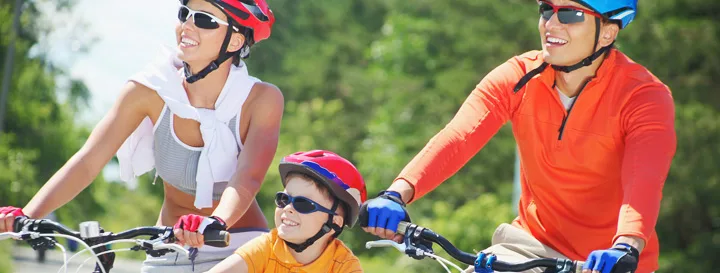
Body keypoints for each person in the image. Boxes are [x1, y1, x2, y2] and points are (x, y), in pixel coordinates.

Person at [359, 1, 676, 273]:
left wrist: (627, 244)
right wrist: (396, 193)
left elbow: (644, 180)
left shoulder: (644, 96)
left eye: (570, 15)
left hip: (611, 261)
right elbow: (459, 137)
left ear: (607, 31)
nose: (550, 23)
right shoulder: (519, 74)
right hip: (529, 247)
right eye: (546, 10)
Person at [0, 0, 283, 271]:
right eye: (185, 13)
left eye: (204, 20)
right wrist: (26, 215)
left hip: (239, 247)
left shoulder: (261, 100)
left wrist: (215, 222)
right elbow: (88, 161)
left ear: (234, 41)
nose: (187, 25)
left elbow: (248, 177)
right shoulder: (148, 90)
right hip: (169, 246)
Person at [207, 150, 366, 273]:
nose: (288, 208)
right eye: (284, 199)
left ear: (334, 223)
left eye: (303, 204)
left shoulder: (343, 265)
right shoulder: (266, 248)